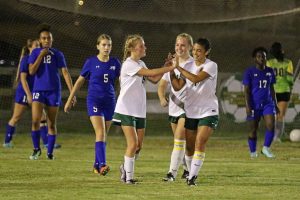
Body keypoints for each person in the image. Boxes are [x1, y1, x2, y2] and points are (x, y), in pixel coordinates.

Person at [112, 34, 175, 184]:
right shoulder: (129, 64)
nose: (145, 48)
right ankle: (129, 178)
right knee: (132, 144)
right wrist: (171, 66)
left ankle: (124, 168)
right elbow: (151, 73)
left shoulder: (140, 63)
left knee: (138, 146)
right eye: (141, 46)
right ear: (132, 49)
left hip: (138, 110)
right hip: (126, 109)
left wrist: (166, 67)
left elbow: (154, 79)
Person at [64, 34, 121, 175]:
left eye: (109, 45)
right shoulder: (90, 62)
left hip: (110, 102)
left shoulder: (115, 63)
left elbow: (123, 81)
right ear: (98, 46)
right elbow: (79, 81)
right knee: (100, 132)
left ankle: (96, 165)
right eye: (103, 45)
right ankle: (102, 165)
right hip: (94, 101)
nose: (106, 47)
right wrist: (70, 98)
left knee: (103, 135)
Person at [170, 38, 219, 186]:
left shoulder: (211, 65)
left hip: (208, 110)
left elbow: (196, 79)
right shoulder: (188, 65)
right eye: (194, 50)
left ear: (207, 52)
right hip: (191, 111)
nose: (195, 53)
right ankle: (190, 173)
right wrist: (172, 70)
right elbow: (178, 86)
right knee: (189, 147)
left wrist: (179, 67)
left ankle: (192, 178)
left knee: (200, 142)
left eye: (199, 50)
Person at [3, 39, 61, 149]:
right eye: (35, 45)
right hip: (24, 92)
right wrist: (29, 95)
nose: (38, 47)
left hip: (35, 93)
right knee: (16, 117)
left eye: (39, 45)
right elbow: (23, 80)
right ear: (29, 47)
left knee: (43, 117)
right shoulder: (26, 60)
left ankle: (46, 143)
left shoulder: (39, 59)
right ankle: (7, 141)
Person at [28, 24, 75, 160]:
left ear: (52, 40)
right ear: (40, 40)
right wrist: (41, 55)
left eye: (49, 38)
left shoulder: (58, 54)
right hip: (39, 91)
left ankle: (50, 153)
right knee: (35, 121)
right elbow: (31, 71)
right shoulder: (35, 53)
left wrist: (72, 93)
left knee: (51, 123)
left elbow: (65, 73)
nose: (47, 40)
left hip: (54, 92)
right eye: (44, 38)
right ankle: (36, 149)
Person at [158, 33, 194, 182]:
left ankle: (171, 173)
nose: (179, 47)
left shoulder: (194, 64)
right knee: (181, 142)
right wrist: (161, 97)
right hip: (173, 107)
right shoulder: (171, 63)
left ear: (190, 47)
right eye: (177, 45)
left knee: (179, 140)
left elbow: (181, 86)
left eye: (183, 45)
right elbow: (162, 84)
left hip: (188, 109)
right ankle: (187, 170)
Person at [243, 47, 278, 159]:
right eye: (259, 56)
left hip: (268, 104)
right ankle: (253, 152)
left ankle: (266, 148)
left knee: (271, 125)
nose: (262, 58)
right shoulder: (249, 72)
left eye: (263, 56)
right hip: (254, 104)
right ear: (255, 59)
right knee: (253, 130)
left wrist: (275, 104)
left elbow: (272, 88)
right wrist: (248, 106)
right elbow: (247, 91)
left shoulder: (270, 71)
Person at [267, 42, 294, 141]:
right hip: (284, 90)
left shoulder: (269, 63)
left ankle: (272, 135)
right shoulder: (288, 62)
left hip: (272, 91)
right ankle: (277, 137)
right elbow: (290, 78)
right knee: (280, 115)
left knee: (272, 115)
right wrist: (290, 84)